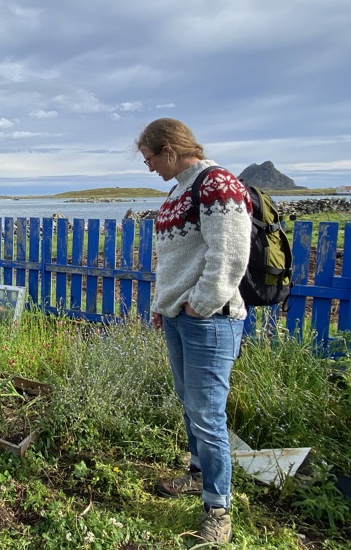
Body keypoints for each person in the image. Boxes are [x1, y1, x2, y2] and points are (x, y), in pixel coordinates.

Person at [138, 118, 251, 544]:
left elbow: (230, 255)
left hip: (210, 320)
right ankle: (197, 473)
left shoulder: (218, 184)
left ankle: (217, 508)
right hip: (178, 317)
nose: (150, 167)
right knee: (190, 403)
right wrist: (163, 306)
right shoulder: (179, 190)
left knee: (207, 414)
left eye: (151, 159)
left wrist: (198, 304)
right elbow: (172, 262)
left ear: (169, 149)